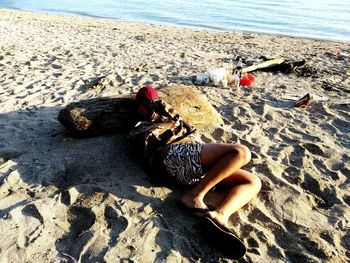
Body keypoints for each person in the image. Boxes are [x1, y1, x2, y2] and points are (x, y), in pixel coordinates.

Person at [128, 86, 261, 235]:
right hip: (177, 153)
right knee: (241, 152)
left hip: (187, 170)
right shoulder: (155, 116)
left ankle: (220, 215)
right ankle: (195, 195)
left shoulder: (143, 123)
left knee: (253, 181)